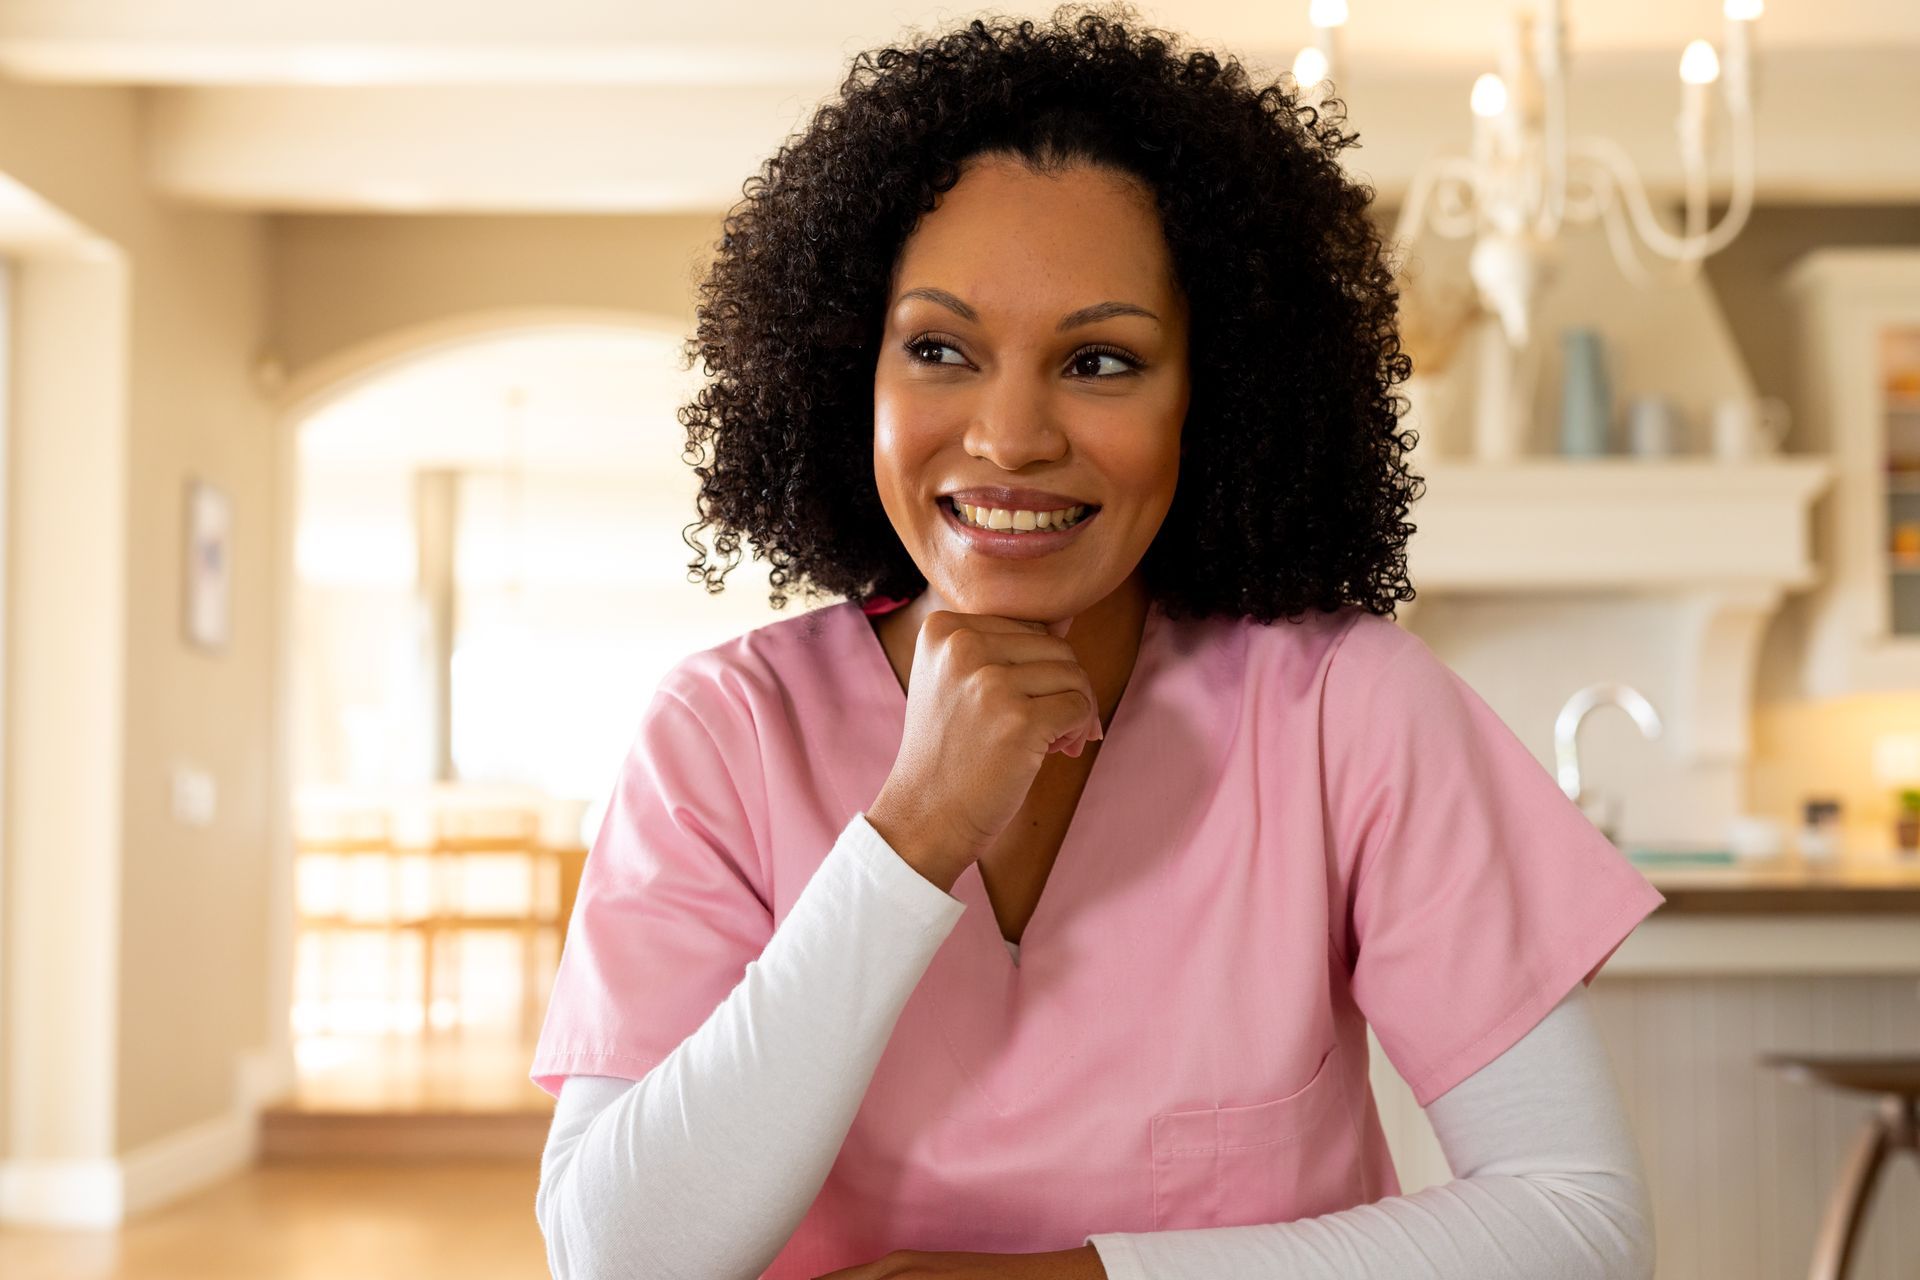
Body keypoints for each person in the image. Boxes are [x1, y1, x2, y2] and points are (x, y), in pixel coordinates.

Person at [529, 5, 1666, 1278]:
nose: (1010, 435)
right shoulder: (723, 735)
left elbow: (1581, 1226)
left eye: (1102, 360)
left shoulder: (1352, 709)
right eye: (941, 347)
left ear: (1213, 396)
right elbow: (616, 1258)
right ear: (856, 371)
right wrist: (912, 833)